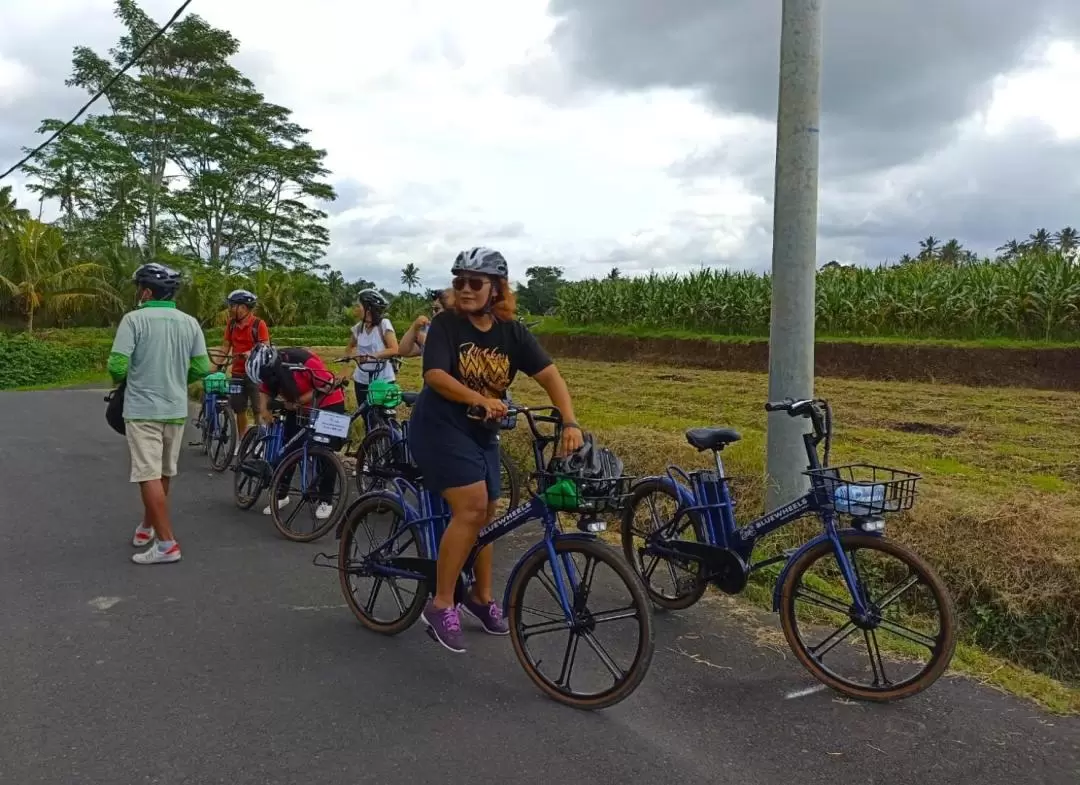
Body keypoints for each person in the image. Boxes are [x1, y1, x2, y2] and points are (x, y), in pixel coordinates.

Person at [408, 247, 585, 653]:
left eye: (475, 282)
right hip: (439, 427)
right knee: (471, 507)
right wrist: (478, 397)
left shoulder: (512, 332)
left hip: (481, 432)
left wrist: (570, 422)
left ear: (497, 289)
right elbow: (434, 375)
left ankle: (481, 597)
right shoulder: (446, 325)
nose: (465, 289)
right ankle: (440, 603)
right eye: (459, 281)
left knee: (489, 511)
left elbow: (550, 377)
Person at [108, 263, 211, 565]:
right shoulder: (190, 322)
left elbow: (116, 366)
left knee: (147, 474)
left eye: (139, 287)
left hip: (142, 410)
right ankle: (148, 527)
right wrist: (178, 378)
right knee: (163, 472)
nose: (138, 292)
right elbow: (202, 368)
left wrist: (130, 379)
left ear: (147, 291)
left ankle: (167, 544)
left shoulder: (133, 320)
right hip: (175, 409)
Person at [247, 343, 347, 520]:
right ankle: (282, 494)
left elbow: (328, 384)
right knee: (289, 446)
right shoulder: (269, 373)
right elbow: (264, 391)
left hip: (328, 402)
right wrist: (264, 411)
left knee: (324, 450)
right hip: (299, 409)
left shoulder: (302, 360)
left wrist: (300, 401)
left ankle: (326, 500)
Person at [216, 289, 270, 441]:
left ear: (244, 308)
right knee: (239, 409)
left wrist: (250, 352)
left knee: (258, 409)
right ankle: (242, 441)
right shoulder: (231, 325)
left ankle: (259, 440)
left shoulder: (259, 324)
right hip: (237, 373)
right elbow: (226, 346)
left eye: (233, 306)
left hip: (255, 373)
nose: (230, 309)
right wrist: (215, 365)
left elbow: (265, 347)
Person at [344, 288, 399, 407]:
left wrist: (372, 356)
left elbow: (394, 349)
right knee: (366, 415)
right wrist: (345, 365)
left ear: (368, 309)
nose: (356, 309)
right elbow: (349, 347)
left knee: (385, 415)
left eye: (359, 306)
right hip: (362, 379)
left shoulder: (384, 324)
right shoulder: (359, 328)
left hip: (383, 378)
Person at [397, 288, 450, 358]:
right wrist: (414, 327)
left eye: (437, 309)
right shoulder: (430, 329)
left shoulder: (457, 330)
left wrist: (427, 342)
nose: (433, 312)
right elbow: (404, 351)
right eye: (433, 309)